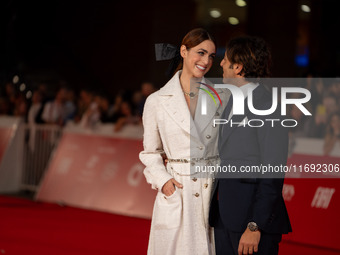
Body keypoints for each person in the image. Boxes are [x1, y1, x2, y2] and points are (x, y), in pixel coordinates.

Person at [139, 28, 228, 255]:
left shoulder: (222, 96)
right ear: (183, 51)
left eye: (211, 56)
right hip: (178, 190)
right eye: (200, 53)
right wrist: (164, 182)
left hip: (212, 191)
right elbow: (150, 152)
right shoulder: (157, 101)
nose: (206, 61)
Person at [209, 36, 292, 255]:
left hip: (251, 225)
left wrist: (255, 225)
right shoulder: (229, 102)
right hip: (224, 217)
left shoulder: (268, 106)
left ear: (238, 67)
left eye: (225, 59)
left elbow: (273, 170)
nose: (220, 64)